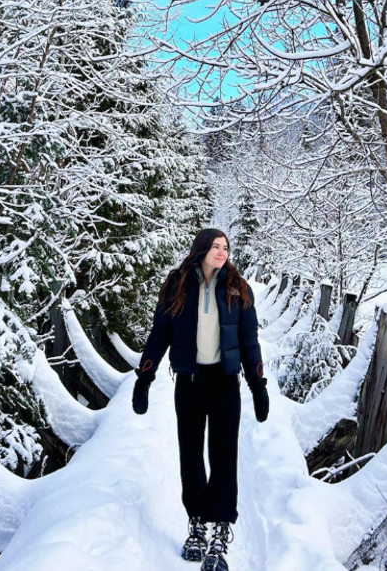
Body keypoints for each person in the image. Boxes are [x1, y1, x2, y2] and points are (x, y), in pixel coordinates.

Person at [131, 229, 269, 571]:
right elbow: (159, 334)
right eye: (216, 246)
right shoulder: (178, 284)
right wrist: (144, 378)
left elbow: (249, 341)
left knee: (224, 454)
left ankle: (220, 531)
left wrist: (257, 385)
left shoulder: (238, 288)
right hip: (189, 384)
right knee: (190, 452)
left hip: (224, 384)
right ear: (202, 249)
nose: (222, 252)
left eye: (225, 247)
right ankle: (196, 522)